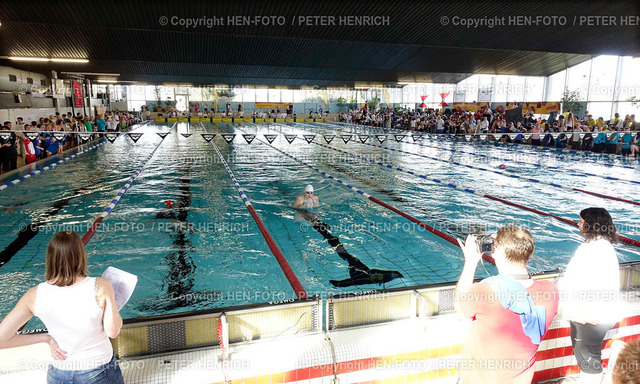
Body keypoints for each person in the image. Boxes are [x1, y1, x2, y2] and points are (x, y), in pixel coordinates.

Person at [0, 231, 124, 384]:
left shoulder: (34, 295)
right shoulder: (100, 285)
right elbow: (113, 332)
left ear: (51, 258)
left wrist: (46, 338)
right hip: (97, 371)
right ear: (81, 256)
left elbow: (1, 339)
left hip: (59, 374)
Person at [455, 225, 559, 384]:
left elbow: (459, 305)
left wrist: (470, 262)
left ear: (496, 253)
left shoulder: (485, 291)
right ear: (530, 254)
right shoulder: (550, 291)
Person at [559, 207, 621, 383]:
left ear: (590, 224)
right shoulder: (604, 246)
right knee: (590, 358)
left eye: (580, 221)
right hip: (597, 315)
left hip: (589, 317)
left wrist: (583, 313)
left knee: (587, 361)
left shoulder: (592, 249)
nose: (578, 224)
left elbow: (584, 282)